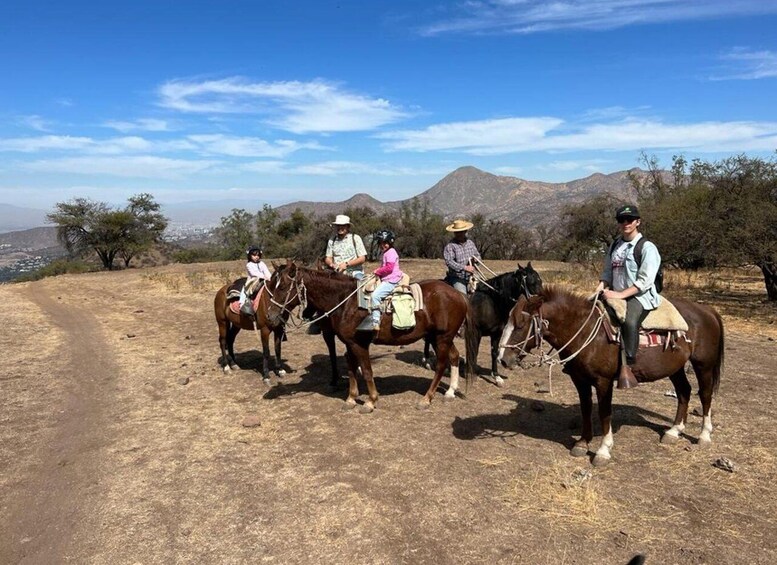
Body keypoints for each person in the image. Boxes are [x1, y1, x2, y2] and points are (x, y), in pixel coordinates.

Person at [596, 205, 662, 389]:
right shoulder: (615, 245)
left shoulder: (647, 247)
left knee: (629, 321)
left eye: (630, 220)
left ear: (637, 222)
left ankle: (629, 364)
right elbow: (607, 271)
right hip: (615, 293)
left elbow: (645, 280)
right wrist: (600, 287)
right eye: (621, 220)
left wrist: (620, 295)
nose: (625, 223)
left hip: (639, 296)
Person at [371, 229, 403, 332]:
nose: (382, 245)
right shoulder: (386, 252)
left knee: (375, 295)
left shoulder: (391, 252)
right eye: (380, 243)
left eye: (385, 243)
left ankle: (375, 321)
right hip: (386, 278)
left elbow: (389, 268)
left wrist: (377, 271)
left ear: (390, 242)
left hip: (391, 280)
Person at [443, 219, 481, 294]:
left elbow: (478, 255)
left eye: (461, 232)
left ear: (465, 231)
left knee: (482, 292)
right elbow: (449, 262)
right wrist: (465, 268)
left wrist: (476, 260)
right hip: (457, 277)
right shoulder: (450, 246)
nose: (459, 234)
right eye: (457, 232)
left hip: (472, 275)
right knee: (463, 297)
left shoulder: (470, 243)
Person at [325, 215, 367, 280]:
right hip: (337, 272)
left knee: (362, 284)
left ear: (348, 227)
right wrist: (332, 264)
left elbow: (362, 258)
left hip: (354, 272)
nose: (340, 228)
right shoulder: (332, 240)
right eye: (338, 225)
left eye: (343, 226)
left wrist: (347, 264)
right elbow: (328, 257)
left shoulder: (355, 238)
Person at [240, 245, 271, 316]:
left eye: (258, 255)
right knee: (245, 290)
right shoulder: (249, 265)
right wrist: (264, 277)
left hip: (264, 279)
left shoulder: (262, 263)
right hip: (253, 280)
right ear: (250, 256)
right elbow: (254, 274)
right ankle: (243, 303)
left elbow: (266, 271)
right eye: (254, 255)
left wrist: (269, 278)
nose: (256, 257)